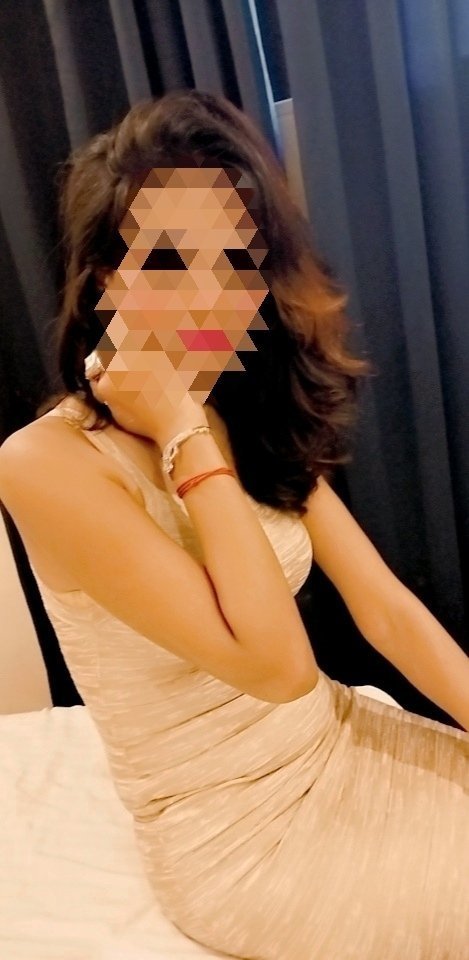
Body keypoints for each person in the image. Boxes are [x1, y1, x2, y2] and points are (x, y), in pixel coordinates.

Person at [0, 89, 468, 959]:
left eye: (237, 262)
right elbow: (277, 666)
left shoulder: (238, 400)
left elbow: (384, 609)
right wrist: (180, 427)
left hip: (336, 745)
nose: (212, 300)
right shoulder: (45, 464)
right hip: (242, 843)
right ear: (104, 276)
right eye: (169, 262)